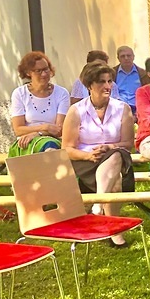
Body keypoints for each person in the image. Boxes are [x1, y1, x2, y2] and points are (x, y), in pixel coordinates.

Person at [61, 61, 135, 247]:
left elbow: (128, 144)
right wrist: (88, 156)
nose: (107, 86)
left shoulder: (123, 108)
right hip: (85, 161)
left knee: (116, 156)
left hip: (116, 157)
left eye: (110, 81)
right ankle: (115, 232)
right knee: (115, 180)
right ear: (89, 85)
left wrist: (108, 147)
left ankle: (98, 207)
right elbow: (67, 148)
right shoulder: (76, 111)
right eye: (102, 82)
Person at [9, 51, 70, 156]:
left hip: (53, 140)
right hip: (26, 142)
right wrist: (45, 127)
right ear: (28, 73)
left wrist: (38, 133)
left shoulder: (62, 93)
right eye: (39, 71)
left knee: (50, 147)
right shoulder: (19, 93)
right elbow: (18, 129)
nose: (44, 74)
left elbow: (59, 129)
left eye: (46, 69)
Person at [113, 46, 143, 111]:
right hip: (118, 109)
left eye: (129, 55)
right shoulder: (112, 73)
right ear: (118, 58)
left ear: (133, 57)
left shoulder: (143, 74)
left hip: (138, 108)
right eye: (122, 56)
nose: (126, 58)